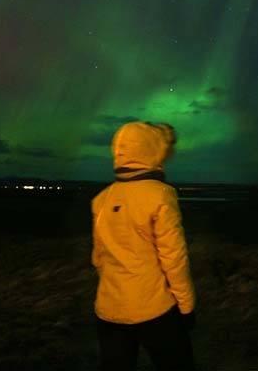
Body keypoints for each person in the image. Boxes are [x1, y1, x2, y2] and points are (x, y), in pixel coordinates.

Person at [91, 120, 197, 370]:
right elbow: (174, 258)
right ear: (150, 151)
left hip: (109, 311)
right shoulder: (160, 195)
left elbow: (98, 259)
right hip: (155, 311)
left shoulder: (101, 199)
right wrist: (186, 306)